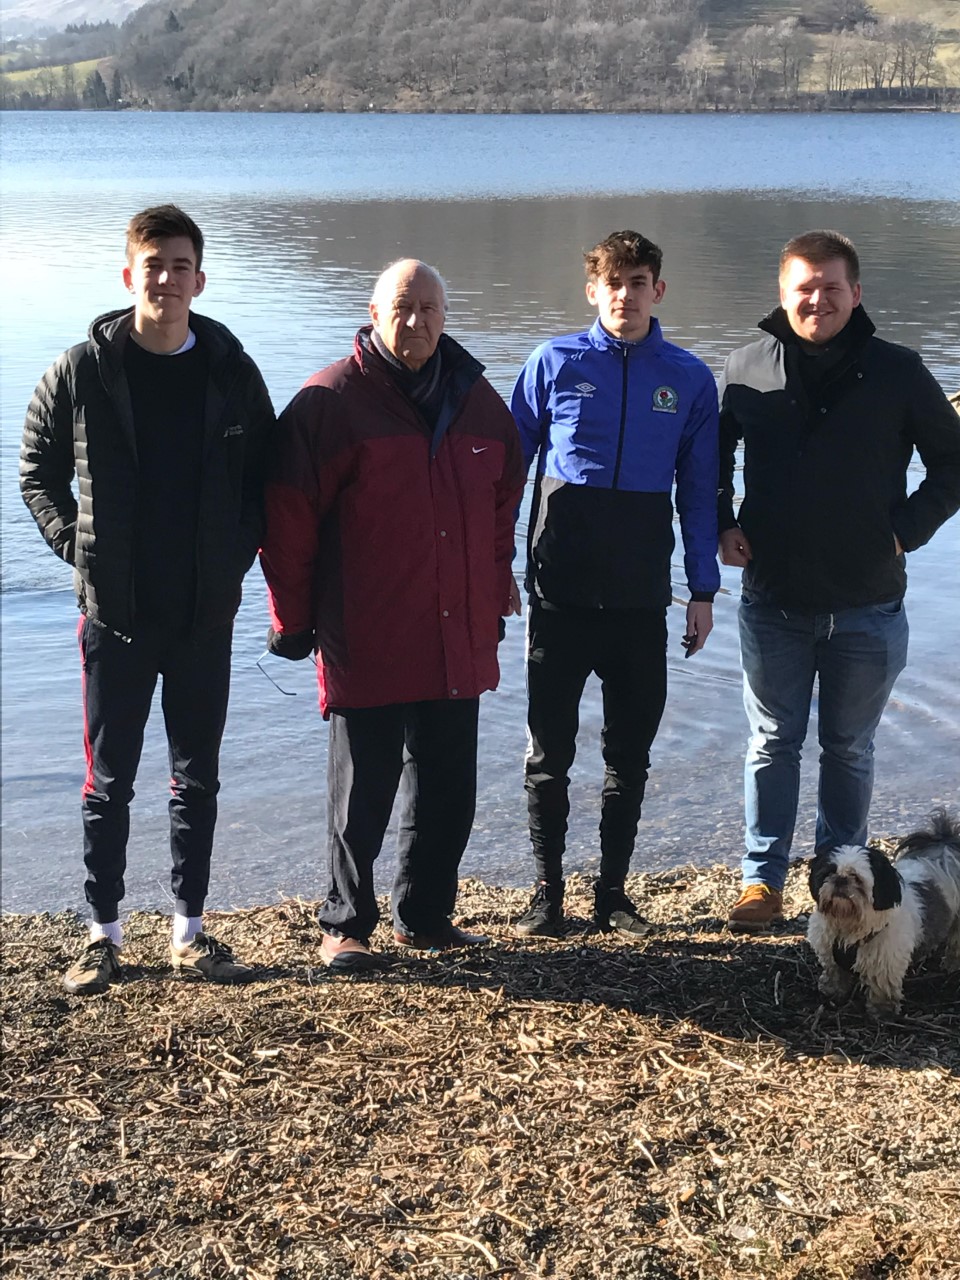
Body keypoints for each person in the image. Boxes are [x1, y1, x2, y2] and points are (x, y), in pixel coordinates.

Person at [20, 204, 275, 994]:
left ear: (201, 278)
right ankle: (101, 934)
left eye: (180, 266)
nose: (166, 279)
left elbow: (265, 484)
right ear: (130, 274)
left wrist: (234, 561)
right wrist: (79, 548)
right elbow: (37, 470)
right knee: (109, 782)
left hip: (202, 613)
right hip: (117, 616)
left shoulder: (231, 372)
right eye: (153, 265)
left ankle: (190, 930)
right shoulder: (83, 371)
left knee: (197, 777)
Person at [260, 258, 525, 973]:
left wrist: (500, 582)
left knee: (450, 789)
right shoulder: (330, 402)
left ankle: (427, 915)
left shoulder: (476, 401)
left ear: (447, 314)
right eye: (403, 308)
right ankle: (346, 924)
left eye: (431, 309)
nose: (418, 322)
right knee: (362, 794)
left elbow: (504, 498)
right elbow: (286, 521)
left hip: (456, 629)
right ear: (373, 313)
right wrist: (292, 619)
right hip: (367, 629)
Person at [720, 229, 960, 932]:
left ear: (856, 293)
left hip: (868, 604)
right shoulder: (745, 367)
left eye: (831, 287)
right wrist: (718, 521)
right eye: (805, 287)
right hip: (774, 600)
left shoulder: (898, 371)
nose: (817, 299)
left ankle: (838, 875)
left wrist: (906, 529)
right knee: (772, 743)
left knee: (849, 749)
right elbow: (701, 459)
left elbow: (953, 462)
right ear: (783, 293)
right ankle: (761, 882)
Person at [510, 230, 720, 938]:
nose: (625, 296)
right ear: (592, 291)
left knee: (629, 756)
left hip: (637, 601)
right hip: (559, 596)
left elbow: (698, 494)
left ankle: (613, 895)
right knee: (549, 754)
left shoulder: (688, 379)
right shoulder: (553, 362)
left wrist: (702, 590)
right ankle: (546, 897)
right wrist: (494, 573)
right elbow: (506, 477)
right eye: (613, 283)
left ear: (658, 290)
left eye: (638, 282)